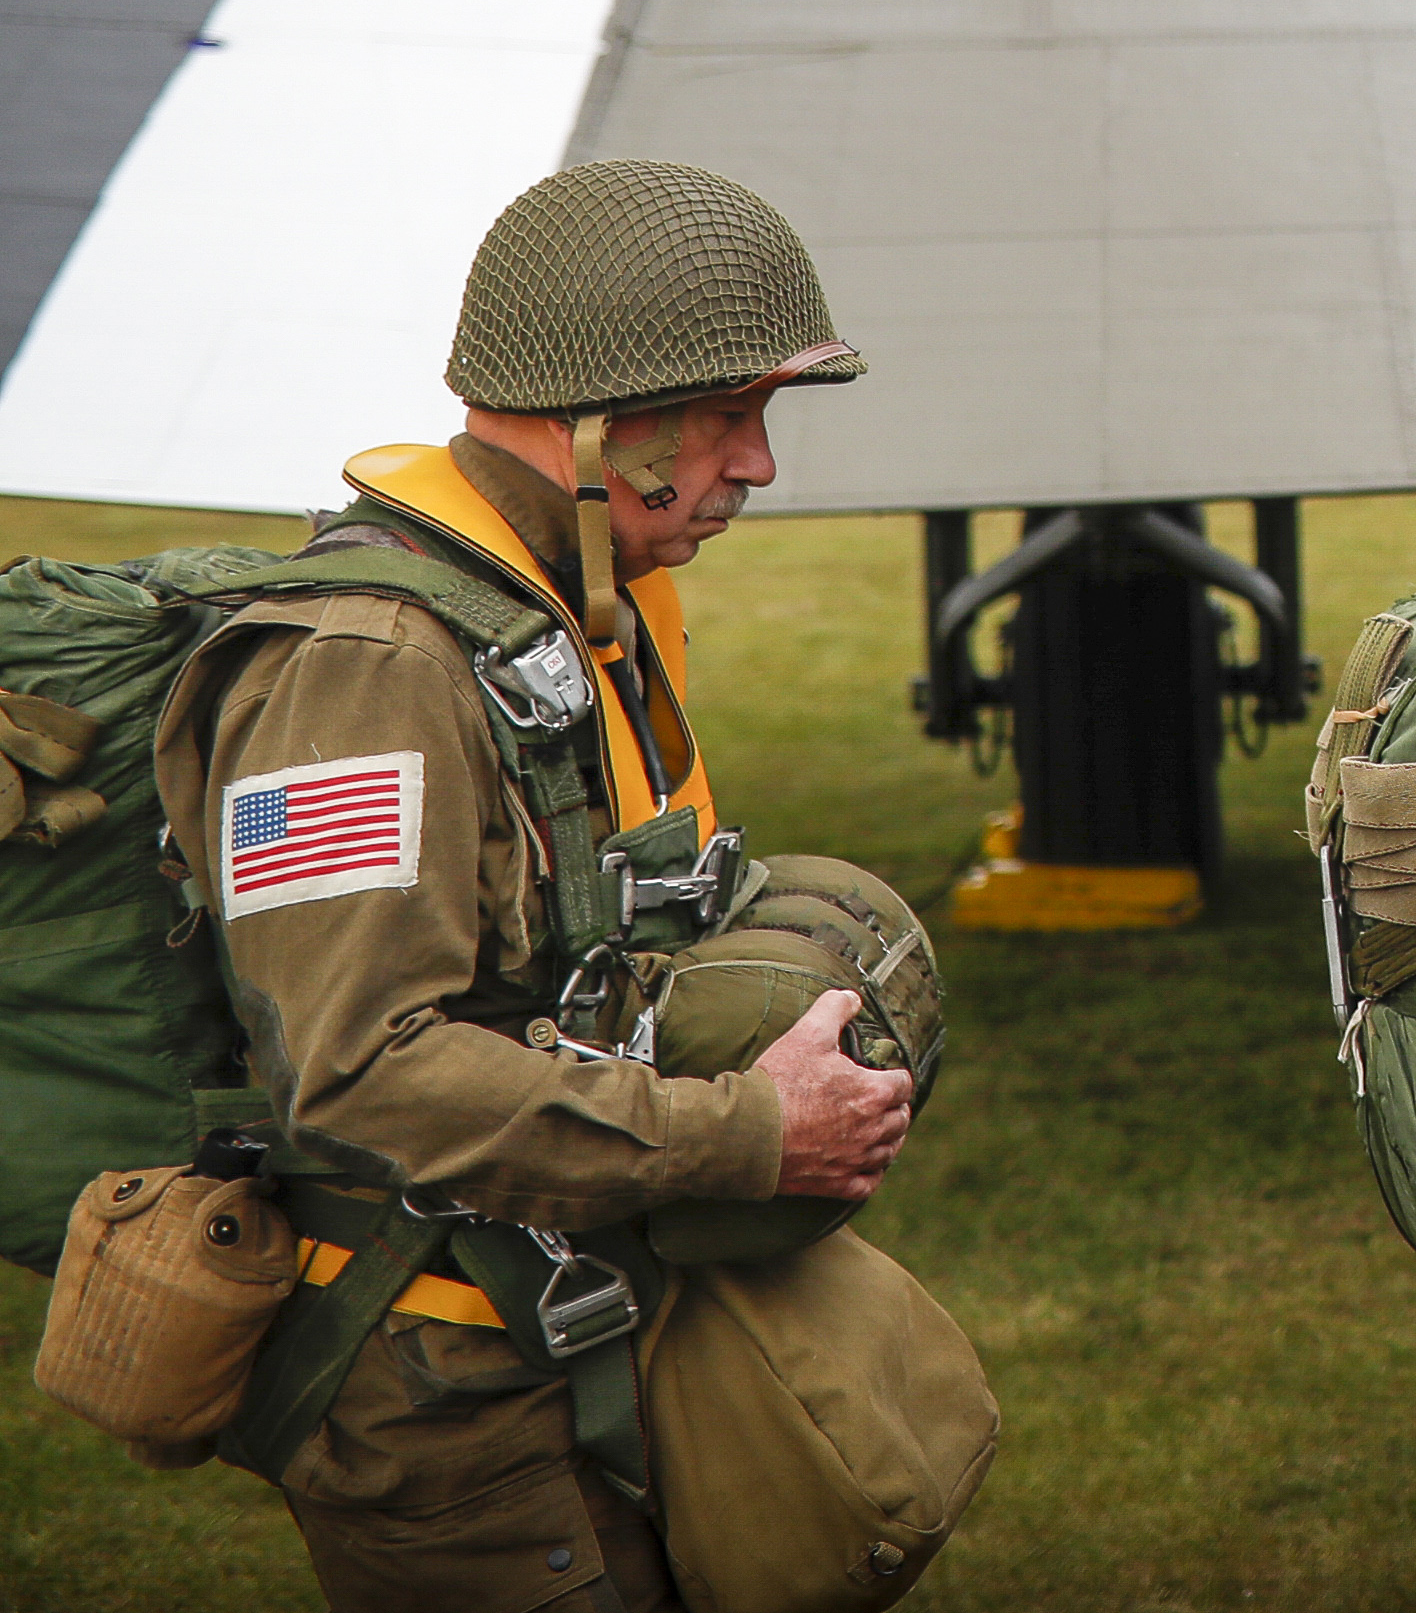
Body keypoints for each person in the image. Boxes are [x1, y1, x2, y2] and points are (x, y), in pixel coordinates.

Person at [148, 161, 931, 1612]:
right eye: (728, 414)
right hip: (437, 1382)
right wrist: (751, 1133)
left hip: (573, 1315)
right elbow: (357, 1076)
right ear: (599, 423)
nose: (759, 464)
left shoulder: (570, 599)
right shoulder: (365, 667)